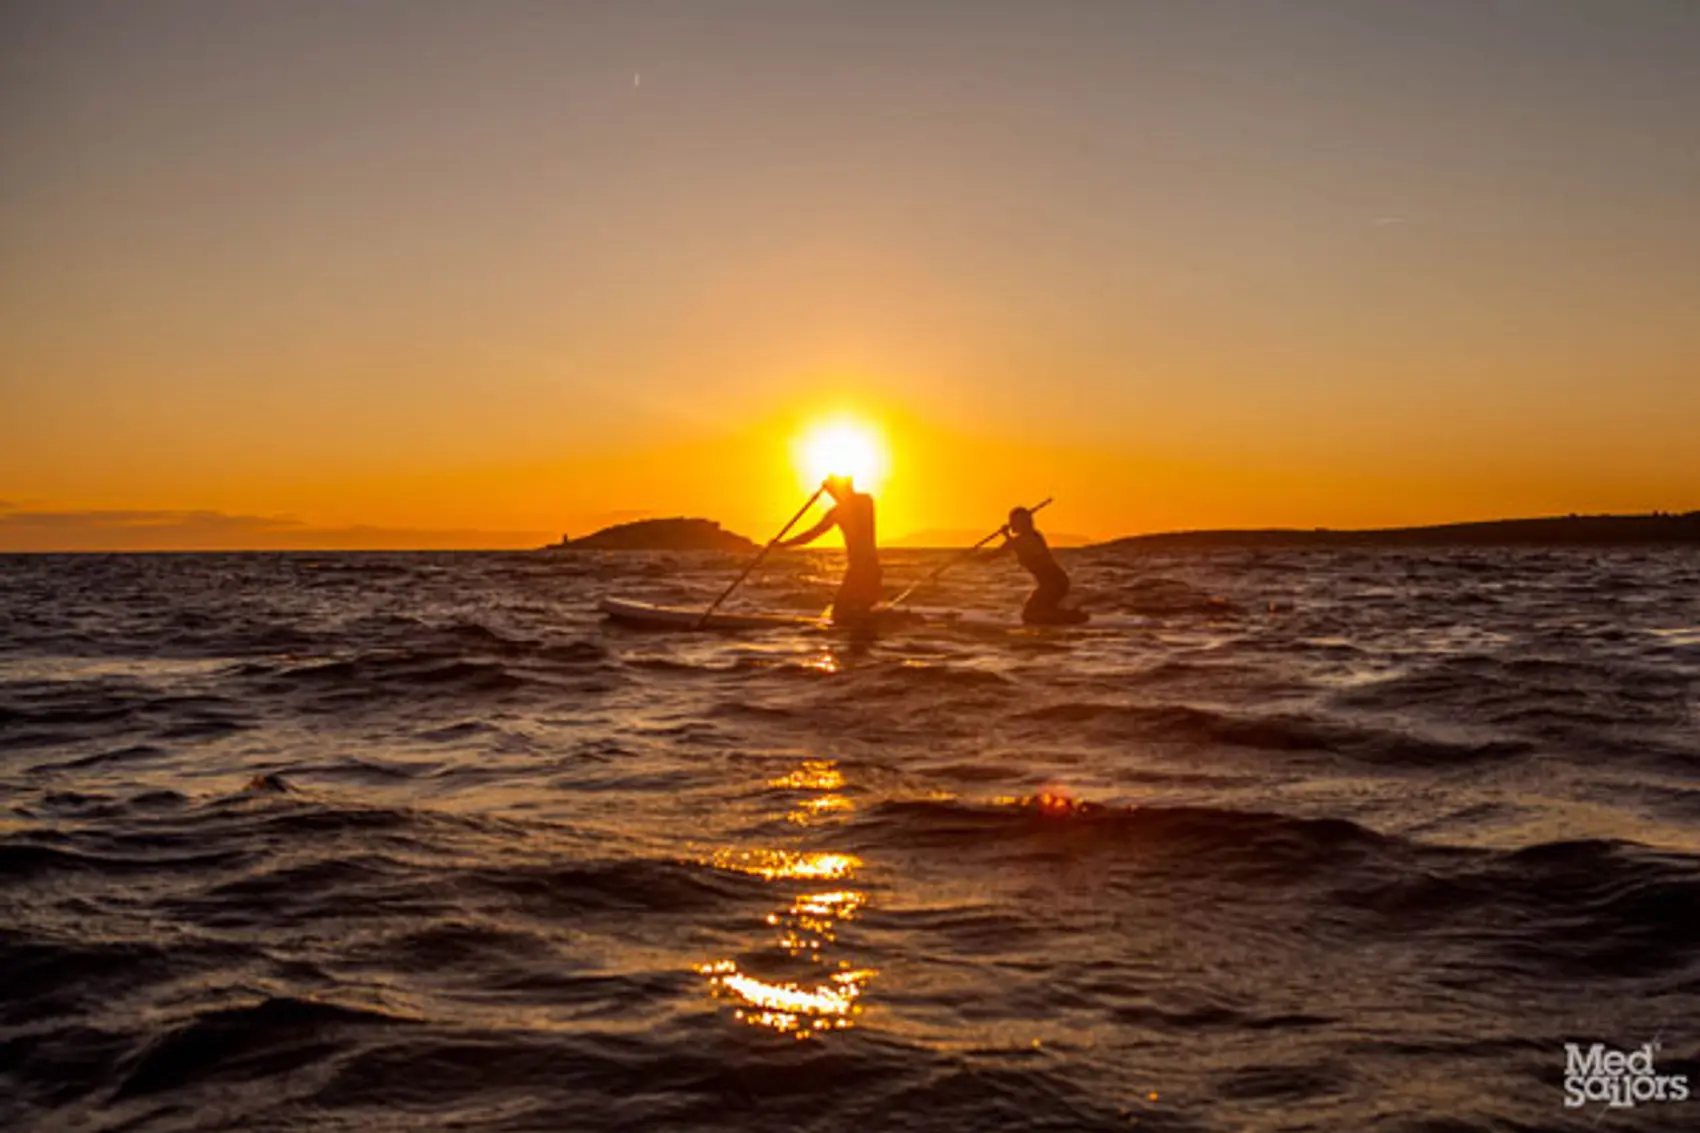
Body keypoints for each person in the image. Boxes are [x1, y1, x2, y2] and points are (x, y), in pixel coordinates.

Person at [779, 475, 883, 622]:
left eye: (833, 492)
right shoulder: (842, 510)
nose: (832, 496)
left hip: (863, 570)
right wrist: (783, 544)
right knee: (854, 611)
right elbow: (812, 534)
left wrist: (834, 484)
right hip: (865, 569)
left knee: (840, 613)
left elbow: (813, 533)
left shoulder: (863, 501)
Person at [992, 506, 1089, 625]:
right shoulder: (1023, 538)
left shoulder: (1032, 537)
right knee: (1034, 613)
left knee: (1031, 614)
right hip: (1051, 583)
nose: (1012, 525)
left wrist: (1006, 534)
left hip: (1055, 582)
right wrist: (972, 558)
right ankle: (1070, 618)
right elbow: (997, 554)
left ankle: (1074, 618)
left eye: (1014, 522)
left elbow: (1016, 545)